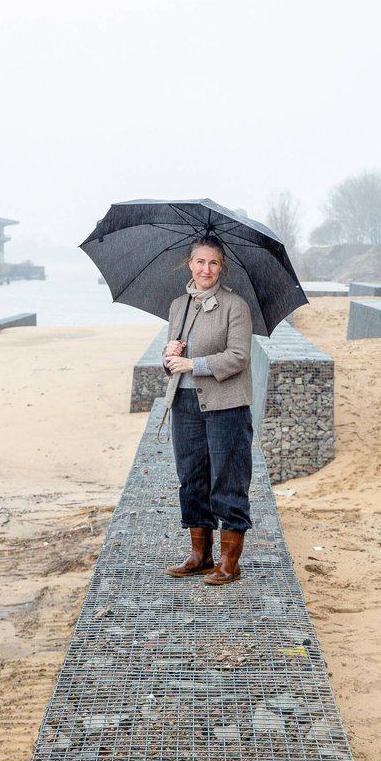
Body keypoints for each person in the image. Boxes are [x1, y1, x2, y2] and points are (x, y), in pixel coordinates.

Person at [162, 235, 253, 585]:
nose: (206, 269)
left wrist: (192, 364)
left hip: (226, 406)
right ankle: (200, 556)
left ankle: (230, 563)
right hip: (184, 404)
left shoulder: (235, 306)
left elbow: (238, 357)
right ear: (190, 264)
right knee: (192, 478)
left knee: (228, 479)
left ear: (222, 267)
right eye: (200, 262)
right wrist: (169, 357)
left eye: (213, 263)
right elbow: (173, 364)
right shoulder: (177, 306)